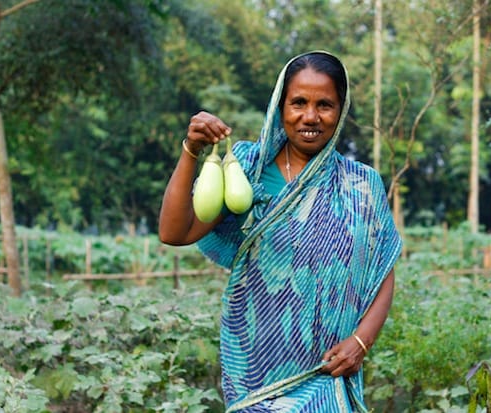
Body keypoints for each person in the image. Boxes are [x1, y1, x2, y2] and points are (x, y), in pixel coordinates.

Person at [159, 51, 402, 412]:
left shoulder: (361, 185)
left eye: (325, 105)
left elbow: (382, 272)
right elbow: (175, 232)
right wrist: (192, 151)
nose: (310, 117)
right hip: (255, 373)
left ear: (342, 109)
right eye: (298, 103)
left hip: (329, 374)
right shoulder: (247, 170)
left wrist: (362, 342)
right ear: (279, 106)